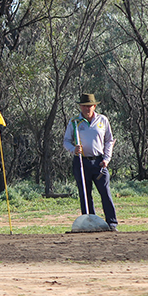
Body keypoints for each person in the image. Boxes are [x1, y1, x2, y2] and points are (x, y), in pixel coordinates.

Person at [62, 93, 118, 231]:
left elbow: (109, 141)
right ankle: (90, 224)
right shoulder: (74, 122)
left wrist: (106, 159)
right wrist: (73, 150)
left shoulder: (102, 120)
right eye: (84, 106)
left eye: (90, 106)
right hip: (81, 162)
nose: (87, 109)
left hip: (99, 162)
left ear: (94, 106)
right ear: (80, 106)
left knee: (105, 193)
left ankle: (112, 223)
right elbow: (66, 141)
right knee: (85, 195)